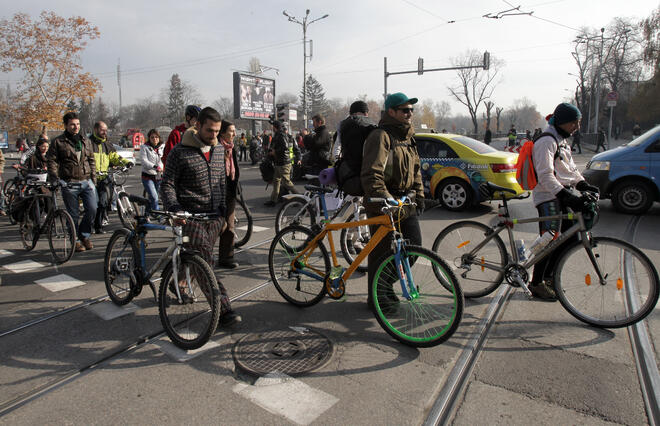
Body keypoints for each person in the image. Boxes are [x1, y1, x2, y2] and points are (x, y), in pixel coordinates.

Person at [160, 106, 240, 326]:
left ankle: (181, 281)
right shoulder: (180, 152)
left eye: (217, 131)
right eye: (210, 131)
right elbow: (166, 183)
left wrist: (223, 209)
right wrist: (175, 207)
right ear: (197, 126)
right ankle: (224, 309)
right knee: (205, 262)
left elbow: (221, 182)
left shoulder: (217, 150)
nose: (214, 136)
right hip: (190, 217)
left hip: (214, 217)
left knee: (200, 260)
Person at [361, 92, 424, 308]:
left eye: (411, 110)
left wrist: (420, 195)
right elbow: (371, 174)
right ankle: (377, 298)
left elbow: (416, 171)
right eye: (405, 110)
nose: (409, 114)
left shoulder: (408, 138)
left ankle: (385, 286)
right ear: (391, 112)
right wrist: (386, 200)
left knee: (414, 246)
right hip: (384, 203)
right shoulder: (380, 136)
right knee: (382, 253)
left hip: (405, 201)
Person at [530, 102, 599, 300]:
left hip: (561, 193)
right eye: (574, 123)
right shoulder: (546, 141)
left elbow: (569, 169)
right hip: (548, 197)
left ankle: (551, 277)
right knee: (549, 240)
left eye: (578, 123)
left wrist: (582, 185)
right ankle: (537, 283)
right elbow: (545, 175)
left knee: (569, 239)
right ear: (562, 122)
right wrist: (565, 196)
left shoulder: (561, 139)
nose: (576, 127)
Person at [47, 112, 97, 252]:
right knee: (73, 214)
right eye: (73, 125)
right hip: (69, 183)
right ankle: (74, 240)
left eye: (78, 124)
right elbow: (52, 161)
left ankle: (84, 235)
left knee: (93, 209)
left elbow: (91, 160)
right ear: (66, 126)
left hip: (86, 181)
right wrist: (55, 178)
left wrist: (93, 179)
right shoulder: (58, 142)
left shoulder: (85, 140)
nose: (76, 127)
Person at [91, 121, 131, 234]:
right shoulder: (89, 143)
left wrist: (126, 163)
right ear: (96, 130)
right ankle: (89, 224)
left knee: (103, 203)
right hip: (91, 178)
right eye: (102, 130)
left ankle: (98, 226)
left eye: (106, 130)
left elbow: (114, 157)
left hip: (103, 177)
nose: (105, 132)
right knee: (92, 205)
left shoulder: (107, 144)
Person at [216, 120, 241, 269]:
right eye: (231, 131)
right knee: (218, 226)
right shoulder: (216, 147)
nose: (234, 134)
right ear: (223, 132)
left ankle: (227, 257)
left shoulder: (232, 148)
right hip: (217, 193)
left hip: (230, 191)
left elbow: (235, 170)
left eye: (234, 131)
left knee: (230, 227)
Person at [264, 120, 300, 207]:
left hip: (284, 163)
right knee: (276, 182)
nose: (271, 128)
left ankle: (300, 198)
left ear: (275, 127)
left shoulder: (281, 135)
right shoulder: (277, 135)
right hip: (279, 162)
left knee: (286, 183)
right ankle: (273, 200)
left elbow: (285, 147)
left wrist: (274, 152)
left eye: (273, 126)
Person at [140, 128, 164, 212]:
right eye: (152, 137)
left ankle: (146, 213)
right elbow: (144, 161)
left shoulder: (162, 147)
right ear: (149, 138)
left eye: (156, 137)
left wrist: (163, 168)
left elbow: (165, 159)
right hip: (147, 176)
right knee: (154, 197)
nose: (154, 139)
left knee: (154, 197)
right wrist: (155, 167)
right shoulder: (144, 147)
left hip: (158, 177)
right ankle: (158, 215)